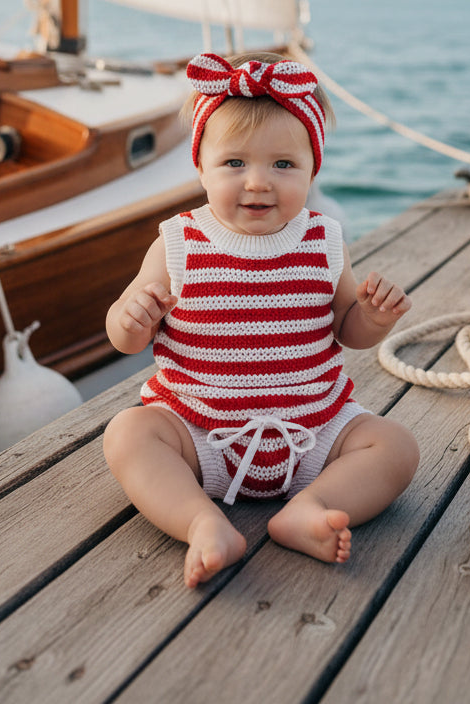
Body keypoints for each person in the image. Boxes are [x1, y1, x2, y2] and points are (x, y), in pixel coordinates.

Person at [104, 51, 419, 589]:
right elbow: (124, 335)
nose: (257, 183)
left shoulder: (323, 241)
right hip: (200, 433)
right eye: (234, 164)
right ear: (200, 165)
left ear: (312, 170)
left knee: (396, 447)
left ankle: (310, 507)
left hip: (313, 431)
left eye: (283, 165)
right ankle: (203, 522)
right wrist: (133, 317)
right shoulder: (178, 242)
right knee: (129, 434)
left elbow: (348, 329)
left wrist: (372, 316)